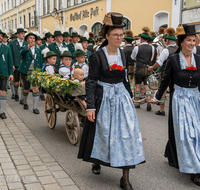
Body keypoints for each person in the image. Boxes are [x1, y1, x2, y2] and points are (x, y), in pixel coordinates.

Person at [78, 12, 145, 190]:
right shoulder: (98, 56)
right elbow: (91, 81)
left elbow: (124, 77)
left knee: (127, 133)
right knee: (103, 132)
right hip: (104, 97)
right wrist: (90, 106)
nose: (119, 38)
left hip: (121, 97)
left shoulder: (123, 54)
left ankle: (125, 179)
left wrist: (130, 95)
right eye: (115, 35)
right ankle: (97, 161)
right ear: (106, 36)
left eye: (121, 35)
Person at [151, 23, 200, 186]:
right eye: (189, 40)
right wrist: (157, 97)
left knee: (197, 133)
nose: (192, 43)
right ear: (180, 42)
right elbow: (165, 80)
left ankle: (172, 153)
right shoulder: (173, 59)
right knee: (186, 134)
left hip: (195, 99)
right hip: (179, 100)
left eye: (194, 40)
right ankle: (195, 170)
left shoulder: (199, 59)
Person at [149, 27, 178, 116]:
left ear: (168, 41)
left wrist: (152, 68)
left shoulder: (166, 50)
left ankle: (162, 110)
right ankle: (175, 111)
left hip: (166, 73)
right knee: (174, 91)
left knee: (163, 91)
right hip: (176, 74)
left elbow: (159, 63)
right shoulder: (178, 49)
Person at [18, 31, 43, 114]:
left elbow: (40, 62)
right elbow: (22, 54)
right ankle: (25, 102)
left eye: (33, 38)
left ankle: (35, 108)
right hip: (26, 71)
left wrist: (40, 72)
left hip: (35, 71)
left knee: (36, 89)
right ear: (27, 40)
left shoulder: (38, 50)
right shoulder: (24, 48)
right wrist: (28, 47)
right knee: (26, 89)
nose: (32, 39)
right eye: (30, 38)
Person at [131, 26, 154, 111]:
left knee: (137, 85)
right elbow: (151, 57)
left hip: (139, 67)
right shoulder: (152, 47)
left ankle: (137, 103)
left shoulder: (137, 47)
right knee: (147, 85)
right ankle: (148, 101)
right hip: (148, 68)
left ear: (141, 38)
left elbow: (133, 57)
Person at [9, 24, 28, 102]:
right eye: (21, 33)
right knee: (16, 83)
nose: (23, 35)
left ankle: (22, 98)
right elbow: (10, 55)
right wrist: (12, 64)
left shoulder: (26, 43)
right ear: (17, 34)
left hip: (23, 65)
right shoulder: (12, 43)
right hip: (16, 65)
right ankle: (16, 93)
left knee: (23, 83)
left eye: (23, 33)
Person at [0, 29, 14, 119]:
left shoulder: (6, 48)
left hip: (3, 73)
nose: (1, 37)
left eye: (1, 35)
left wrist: (11, 74)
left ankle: (1, 111)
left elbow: (10, 62)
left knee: (3, 92)